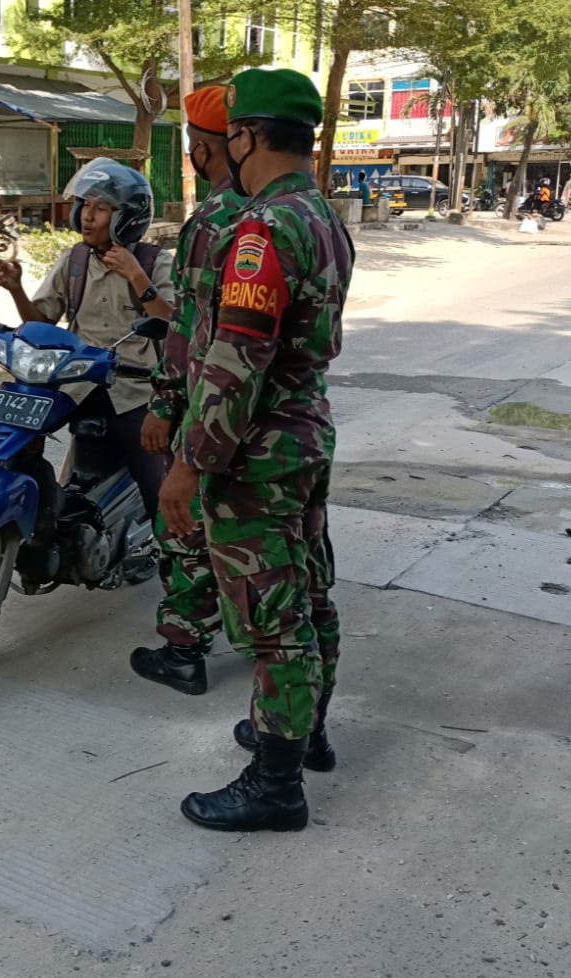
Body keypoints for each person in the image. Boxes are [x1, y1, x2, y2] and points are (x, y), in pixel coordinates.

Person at [160, 67, 353, 832]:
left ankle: (275, 785)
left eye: (229, 134)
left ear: (244, 135)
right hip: (304, 434)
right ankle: (307, 735)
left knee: (273, 621)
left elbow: (235, 360)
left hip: (256, 450)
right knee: (307, 596)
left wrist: (187, 464)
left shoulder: (261, 231)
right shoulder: (322, 216)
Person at [130, 85, 244, 697]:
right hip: (275, 417)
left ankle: (182, 650)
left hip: (211, 406)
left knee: (185, 524)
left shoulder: (216, 220)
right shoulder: (301, 213)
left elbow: (191, 328)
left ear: (203, 149)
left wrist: (165, 405)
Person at [0, 158, 176, 522]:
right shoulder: (74, 260)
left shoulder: (156, 262)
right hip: (76, 384)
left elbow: (172, 323)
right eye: (85, 206)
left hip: (132, 391)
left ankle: (176, 562)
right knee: (14, 433)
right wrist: (15, 289)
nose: (88, 216)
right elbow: (42, 321)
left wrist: (137, 276)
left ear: (127, 216)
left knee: (160, 490)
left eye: (101, 208)